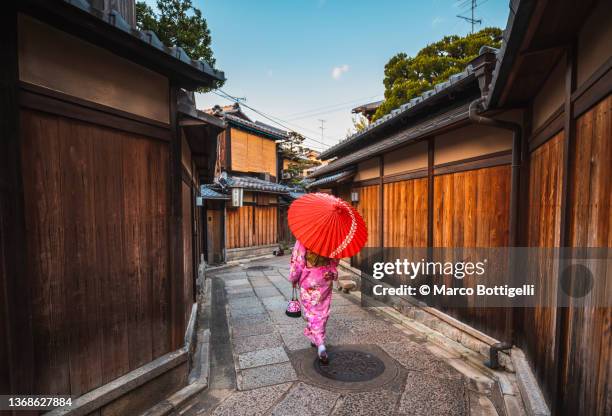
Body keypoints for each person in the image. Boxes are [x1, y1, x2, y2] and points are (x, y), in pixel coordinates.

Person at [288, 240, 339, 364]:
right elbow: (336, 259)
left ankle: (320, 344)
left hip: (310, 278)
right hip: (326, 276)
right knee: (323, 309)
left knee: (311, 311)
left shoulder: (305, 238)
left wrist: (293, 278)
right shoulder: (331, 237)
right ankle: (315, 338)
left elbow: (298, 261)